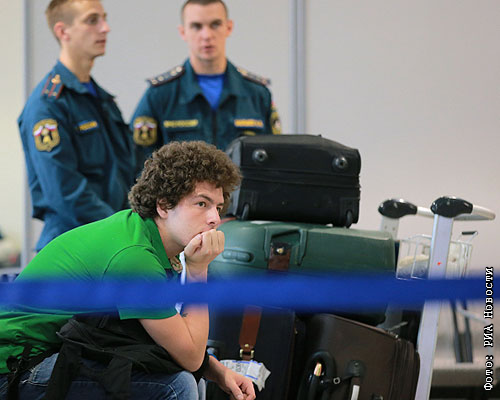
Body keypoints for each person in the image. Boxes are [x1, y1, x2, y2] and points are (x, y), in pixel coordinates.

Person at [0, 141, 255, 400]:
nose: (214, 218)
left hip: (55, 351)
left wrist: (218, 371)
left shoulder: (142, 233)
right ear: (163, 205)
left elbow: (168, 339)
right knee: (176, 386)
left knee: (188, 378)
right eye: (201, 204)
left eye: (218, 207)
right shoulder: (134, 257)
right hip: (15, 368)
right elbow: (190, 357)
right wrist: (198, 271)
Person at [18, 0, 136, 252]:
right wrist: (122, 229)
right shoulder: (47, 105)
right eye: (92, 20)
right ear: (63, 31)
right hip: (74, 248)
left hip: (112, 242)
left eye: (104, 18)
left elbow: (127, 172)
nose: (105, 28)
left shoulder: (101, 100)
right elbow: (65, 192)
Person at [131, 0, 282, 167]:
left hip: (243, 185)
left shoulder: (257, 94)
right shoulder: (160, 94)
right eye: (196, 26)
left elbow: (274, 160)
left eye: (215, 24)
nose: (207, 35)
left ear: (229, 27)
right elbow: (139, 165)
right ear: (183, 32)